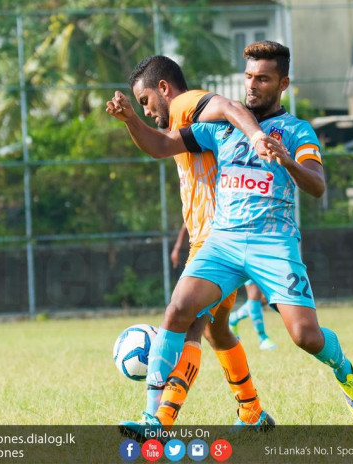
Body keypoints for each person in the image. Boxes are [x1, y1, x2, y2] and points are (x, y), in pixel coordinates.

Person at [108, 40, 353, 423]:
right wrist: (132, 119)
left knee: (305, 337)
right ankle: (152, 421)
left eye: (263, 79)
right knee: (178, 310)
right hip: (224, 241)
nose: (252, 85)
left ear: (283, 84)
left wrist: (287, 161)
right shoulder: (221, 128)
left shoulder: (297, 130)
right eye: (248, 76)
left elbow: (316, 185)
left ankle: (344, 368)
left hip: (273, 243)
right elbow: (161, 145)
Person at [107, 56, 282, 434]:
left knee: (186, 323)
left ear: (165, 89)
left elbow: (229, 106)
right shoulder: (176, 123)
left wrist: (254, 135)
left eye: (147, 102)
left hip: (220, 243)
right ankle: (252, 411)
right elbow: (155, 147)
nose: (148, 111)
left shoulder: (187, 104)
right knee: (216, 331)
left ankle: (158, 420)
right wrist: (131, 121)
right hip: (212, 239)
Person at [229, 280, 278, 350]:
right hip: (250, 269)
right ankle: (263, 338)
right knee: (254, 295)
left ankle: (232, 319)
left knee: (263, 300)